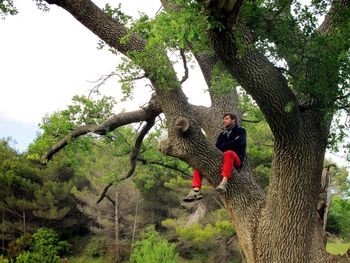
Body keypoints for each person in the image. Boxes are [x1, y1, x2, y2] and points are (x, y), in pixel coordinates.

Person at [183, 113, 246, 202]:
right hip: (222, 160)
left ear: (233, 120)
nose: (224, 121)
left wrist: (227, 145)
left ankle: (224, 182)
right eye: (224, 119)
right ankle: (196, 190)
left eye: (226, 119)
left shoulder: (241, 131)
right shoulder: (222, 135)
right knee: (199, 163)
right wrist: (232, 142)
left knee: (228, 152)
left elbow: (240, 143)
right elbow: (218, 147)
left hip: (236, 159)